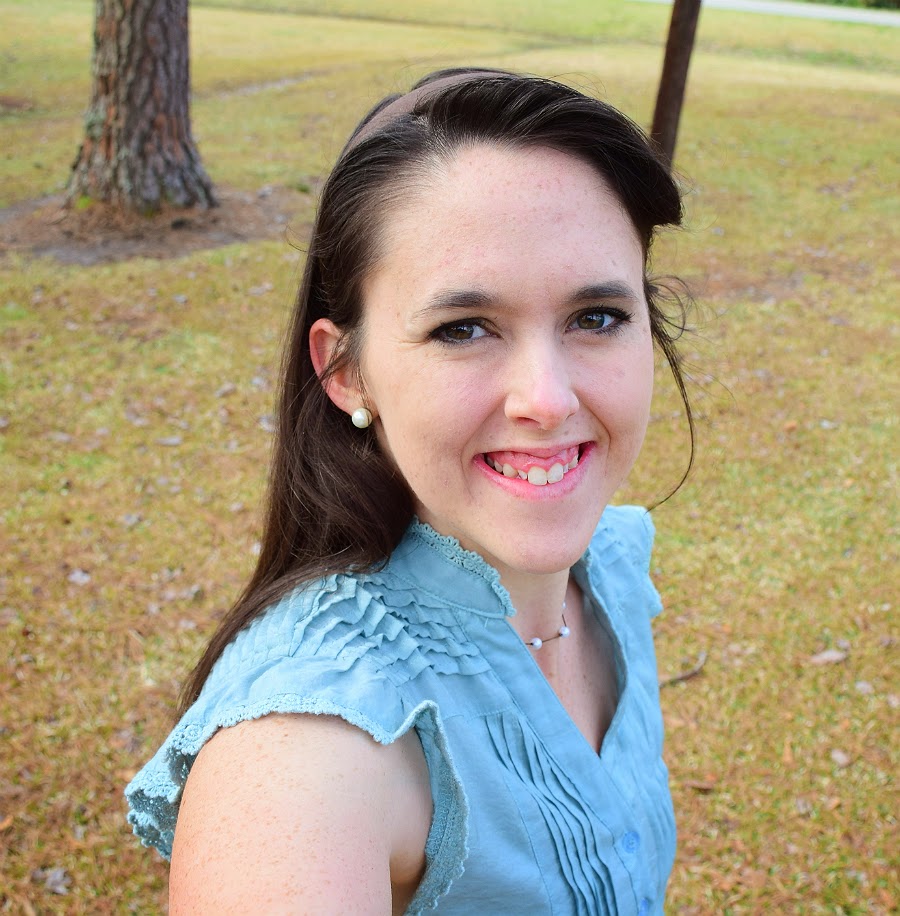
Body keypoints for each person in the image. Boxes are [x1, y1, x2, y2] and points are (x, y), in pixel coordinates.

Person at [126, 67, 693, 914]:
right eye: (463, 329)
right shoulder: (304, 762)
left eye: (596, 317)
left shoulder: (606, 570)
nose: (547, 399)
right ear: (346, 372)